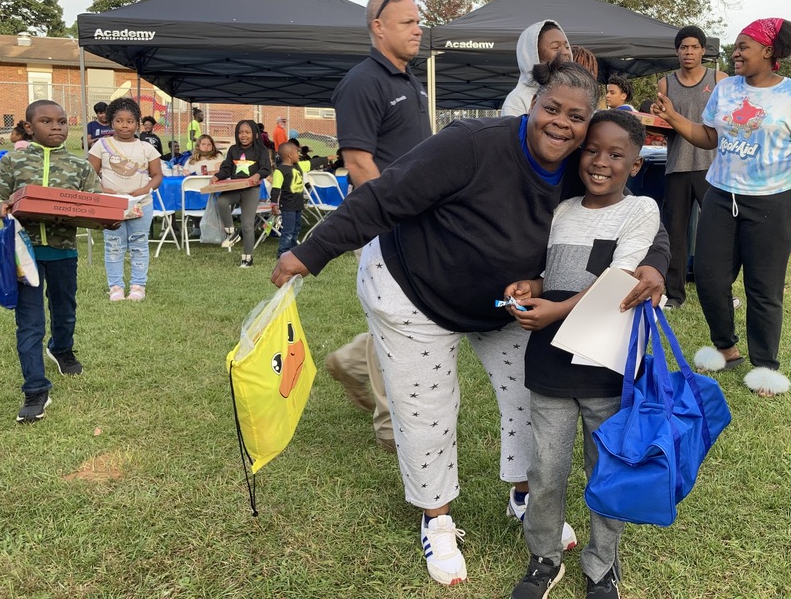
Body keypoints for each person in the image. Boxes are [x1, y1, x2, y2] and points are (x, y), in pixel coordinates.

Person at [270, 57, 668, 586]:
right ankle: (436, 519)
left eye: (576, 118)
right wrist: (310, 252)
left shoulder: (580, 161)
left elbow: (637, 218)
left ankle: (525, 494)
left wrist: (654, 266)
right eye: (552, 109)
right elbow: (385, 197)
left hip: (503, 306)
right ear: (531, 104)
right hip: (412, 289)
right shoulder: (471, 143)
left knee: (530, 393)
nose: (562, 124)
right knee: (428, 406)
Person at [503, 110, 658, 599]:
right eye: (592, 150)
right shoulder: (562, 210)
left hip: (605, 369)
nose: (601, 162)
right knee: (545, 471)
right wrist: (533, 285)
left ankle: (603, 564)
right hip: (549, 364)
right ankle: (544, 558)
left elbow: (619, 282)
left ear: (635, 164)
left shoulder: (641, 210)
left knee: (605, 472)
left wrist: (555, 312)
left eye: (616, 154)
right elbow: (558, 274)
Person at [653, 18, 791, 397]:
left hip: (775, 198)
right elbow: (709, 136)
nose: (735, 52)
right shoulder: (726, 88)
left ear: (768, 51)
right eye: (735, 46)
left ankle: (765, 366)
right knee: (712, 279)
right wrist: (673, 117)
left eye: (744, 46)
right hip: (721, 193)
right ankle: (726, 348)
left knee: (763, 287)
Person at [322, 0, 432, 454]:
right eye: (406, 22)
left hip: (416, 220)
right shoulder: (363, 82)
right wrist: (391, 218)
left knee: (406, 318)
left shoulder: (411, 80)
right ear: (378, 26)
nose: (417, 28)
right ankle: (392, 429)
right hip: (390, 225)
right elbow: (359, 163)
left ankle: (351, 361)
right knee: (401, 315)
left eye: (418, 21)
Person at [0, 100, 101, 421]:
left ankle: (61, 348)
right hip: (23, 255)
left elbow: (95, 203)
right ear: (29, 127)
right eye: (46, 121)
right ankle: (35, 390)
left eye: (61, 122)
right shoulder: (12, 162)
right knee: (29, 324)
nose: (56, 127)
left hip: (63, 251)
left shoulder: (80, 165)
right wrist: (2, 206)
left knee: (64, 310)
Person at [657, 25, 729, 309]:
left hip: (712, 167)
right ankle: (675, 295)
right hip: (676, 166)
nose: (689, 52)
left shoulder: (720, 79)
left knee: (716, 233)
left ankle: (719, 292)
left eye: (694, 47)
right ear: (677, 51)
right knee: (674, 234)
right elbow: (665, 126)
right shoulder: (666, 83)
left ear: (703, 51)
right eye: (684, 47)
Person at [88, 97, 163, 302]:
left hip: (141, 203)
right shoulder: (101, 145)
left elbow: (157, 175)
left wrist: (145, 189)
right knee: (113, 244)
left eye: (129, 121)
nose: (124, 125)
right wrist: (103, 190)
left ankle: (138, 285)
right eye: (119, 121)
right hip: (111, 205)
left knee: (139, 243)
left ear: (137, 123)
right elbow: (90, 175)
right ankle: (116, 287)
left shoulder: (146, 147)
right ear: (111, 122)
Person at [212, 119, 271, 268]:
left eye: (247, 132)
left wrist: (257, 176)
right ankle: (231, 233)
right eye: (240, 132)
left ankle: (247, 258)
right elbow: (226, 168)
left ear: (255, 134)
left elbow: (266, 169)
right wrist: (217, 177)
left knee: (247, 225)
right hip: (235, 188)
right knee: (222, 201)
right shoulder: (233, 150)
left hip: (251, 190)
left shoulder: (261, 150)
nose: (243, 135)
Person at [501, 21, 573, 117]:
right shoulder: (518, 100)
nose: (565, 52)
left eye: (567, 47)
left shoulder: (575, 91)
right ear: (533, 55)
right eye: (556, 47)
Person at [270, 142, 305, 256]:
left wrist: (327, 158)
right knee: (288, 231)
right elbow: (275, 189)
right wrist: (274, 204)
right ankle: (283, 253)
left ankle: (293, 253)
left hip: (298, 205)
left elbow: (311, 163)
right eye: (297, 152)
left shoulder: (297, 167)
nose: (298, 155)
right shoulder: (280, 171)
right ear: (290, 155)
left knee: (296, 230)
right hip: (288, 206)